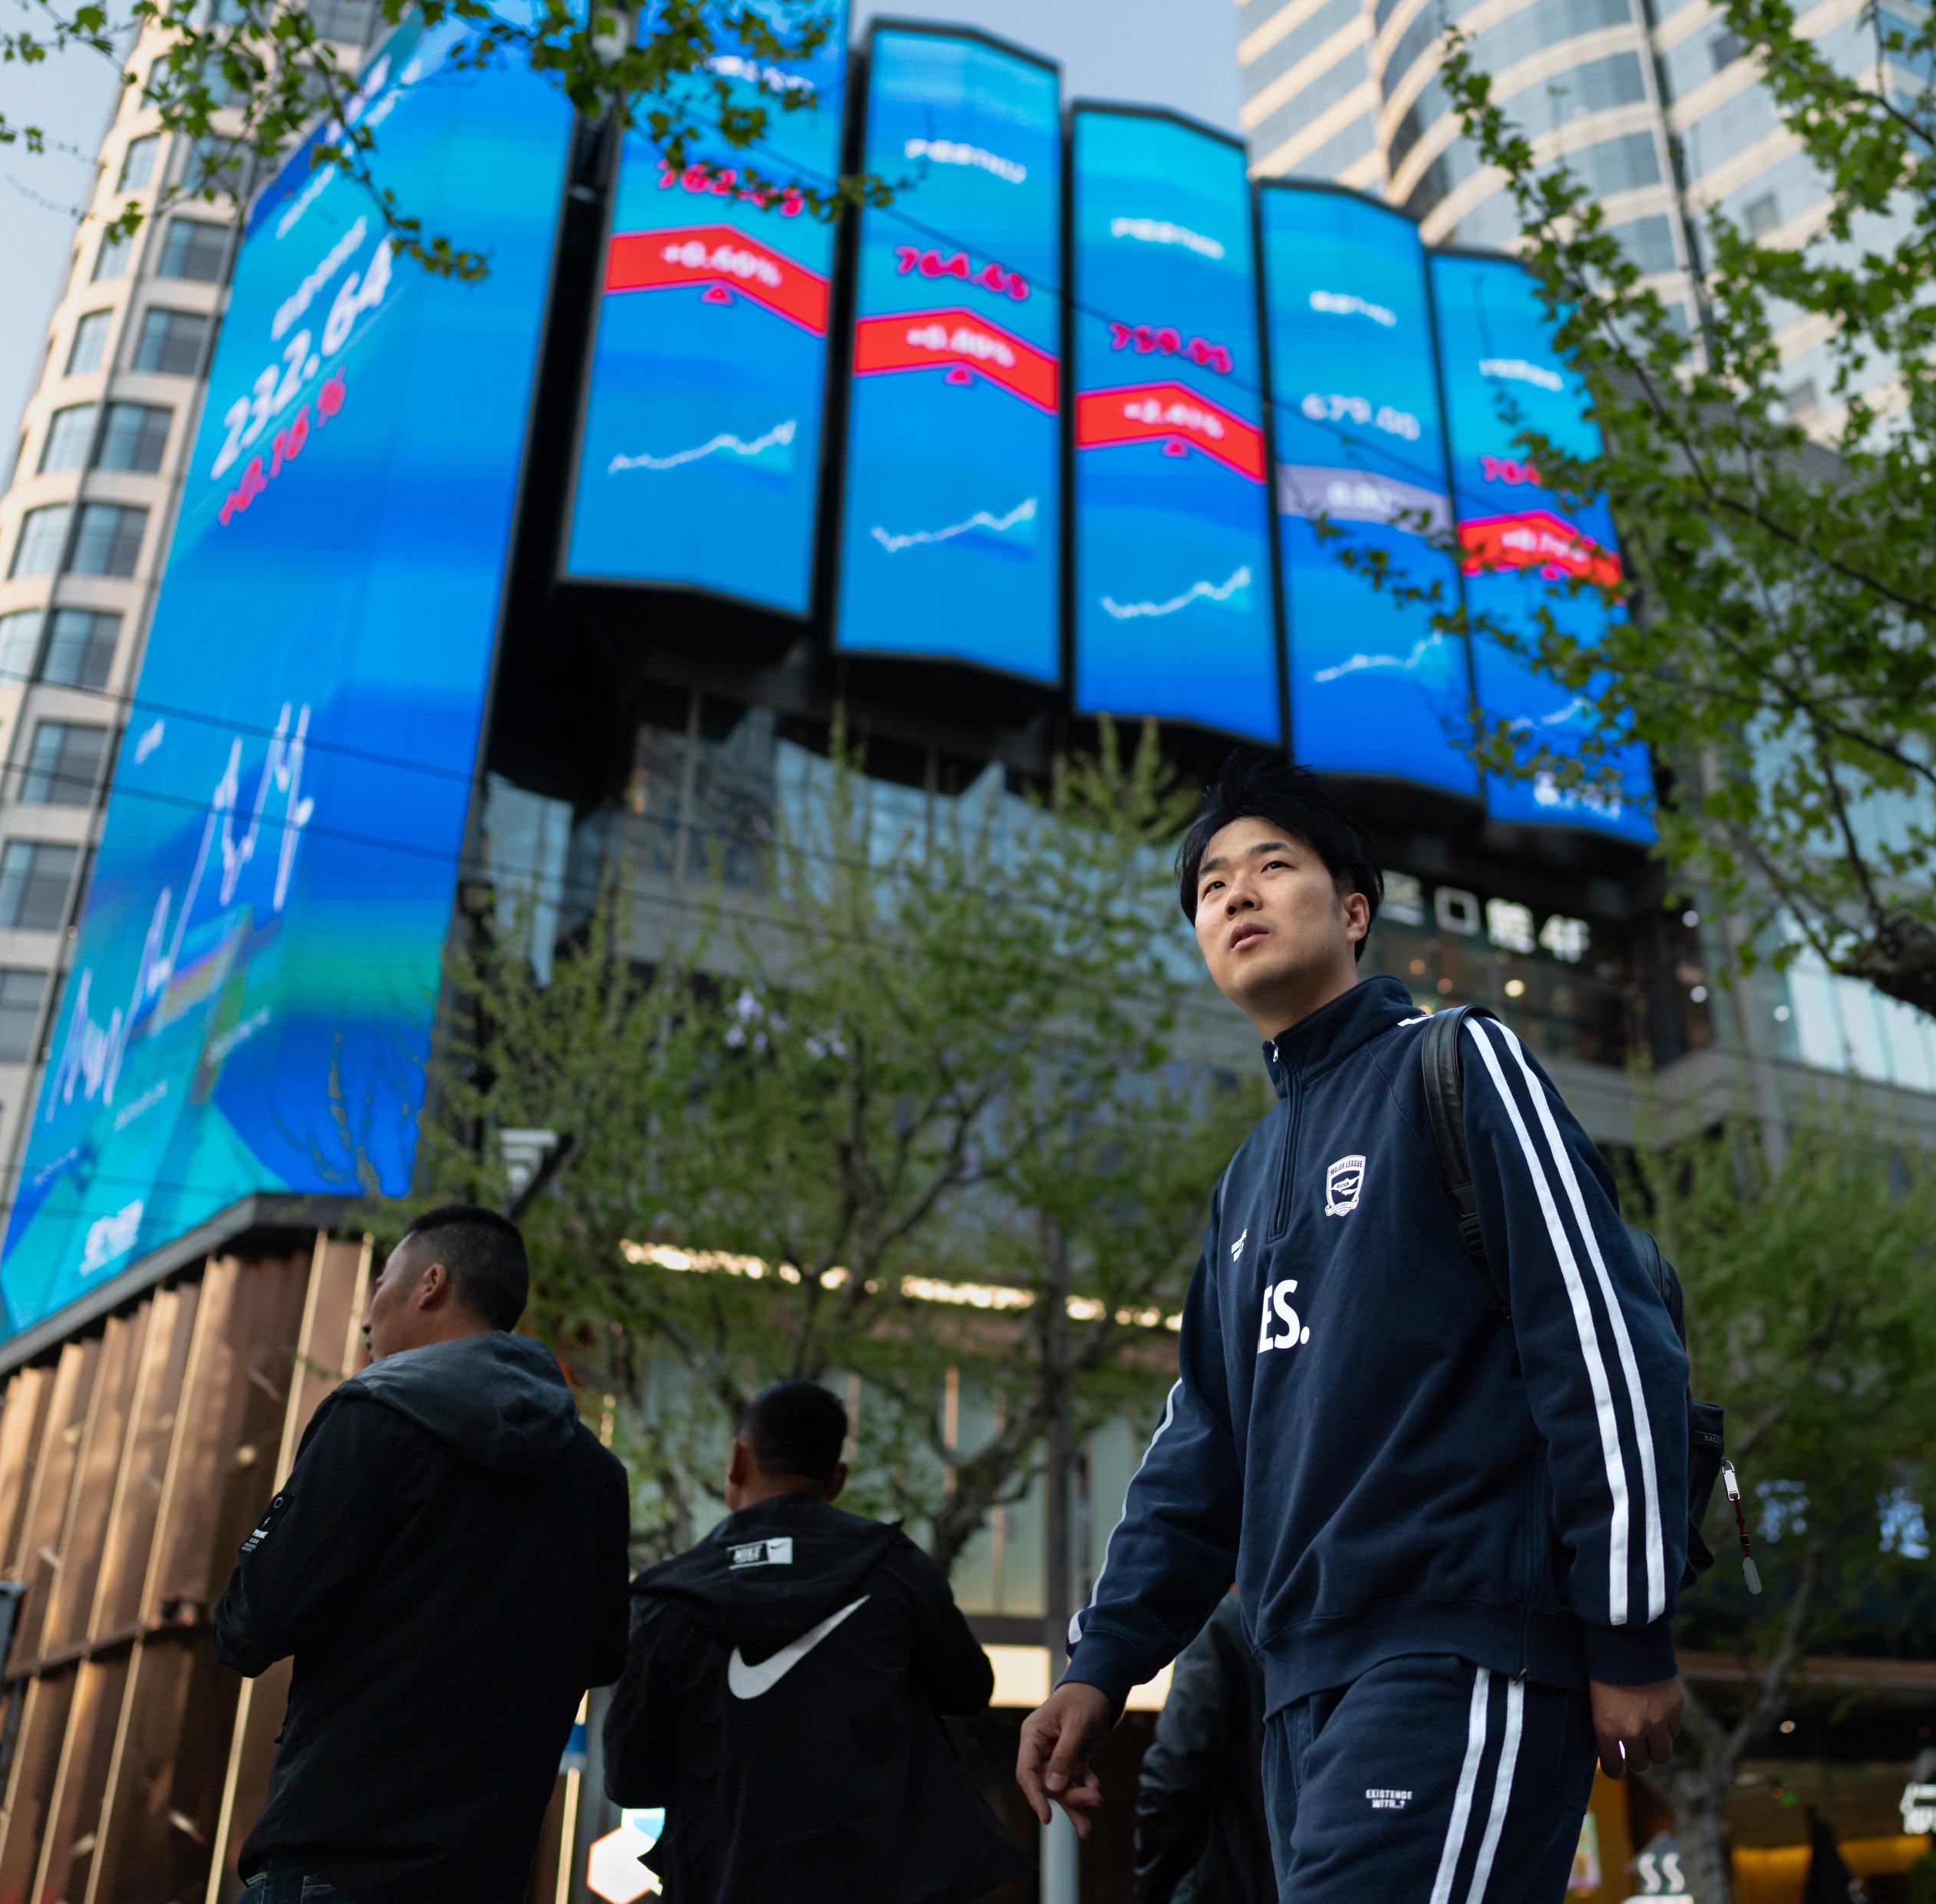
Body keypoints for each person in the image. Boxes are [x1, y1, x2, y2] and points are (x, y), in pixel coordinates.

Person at [1018, 754, 1690, 1903]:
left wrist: (1627, 1629)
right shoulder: (1247, 1179)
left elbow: (1601, 1343)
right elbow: (1203, 1453)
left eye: (1272, 867)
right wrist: (1101, 1665)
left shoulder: (1457, 1063)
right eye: (1211, 886)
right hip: (1299, 1688)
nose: (1236, 895)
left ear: (1354, 909)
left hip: (1463, 1646)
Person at [213, 1203, 630, 1904]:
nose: (367, 1318)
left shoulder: (374, 1414)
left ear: (430, 1284)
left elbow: (249, 1624)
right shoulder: (595, 1474)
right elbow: (601, 1656)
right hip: (485, 1872)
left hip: (336, 1859)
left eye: (380, 1285)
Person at [601, 1379, 1021, 1904]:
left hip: (723, 1880)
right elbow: (968, 1688)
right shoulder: (895, 1568)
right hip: (882, 1880)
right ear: (837, 1478)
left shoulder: (667, 1597)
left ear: (737, 1461)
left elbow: (628, 1777)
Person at [1136, 1592, 1276, 1904]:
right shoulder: (1346, 1622)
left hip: (1228, 1884)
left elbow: (1174, 1771)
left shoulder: (1227, 1622)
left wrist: (1156, 1890)